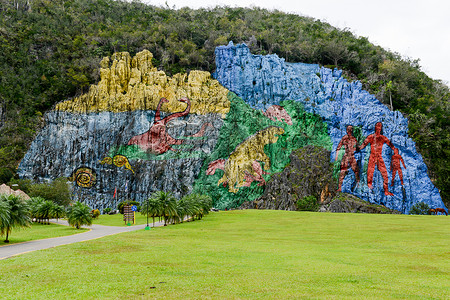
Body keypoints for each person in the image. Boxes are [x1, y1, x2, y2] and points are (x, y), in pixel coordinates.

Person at [359, 122, 394, 196]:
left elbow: (390, 145)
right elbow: (363, 145)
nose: (378, 127)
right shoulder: (370, 137)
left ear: (381, 128)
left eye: (380, 126)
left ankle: (386, 191)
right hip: (372, 156)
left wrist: (395, 150)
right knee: (370, 172)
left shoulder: (383, 138)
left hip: (379, 157)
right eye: (377, 126)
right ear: (375, 127)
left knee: (385, 174)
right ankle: (369, 185)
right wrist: (357, 147)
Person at [335, 125, 360, 192]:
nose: (350, 131)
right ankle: (340, 187)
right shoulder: (345, 138)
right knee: (343, 171)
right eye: (349, 129)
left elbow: (358, 148)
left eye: (351, 129)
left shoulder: (354, 139)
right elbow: (339, 147)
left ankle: (358, 185)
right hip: (346, 156)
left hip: (352, 156)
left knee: (356, 171)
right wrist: (337, 156)